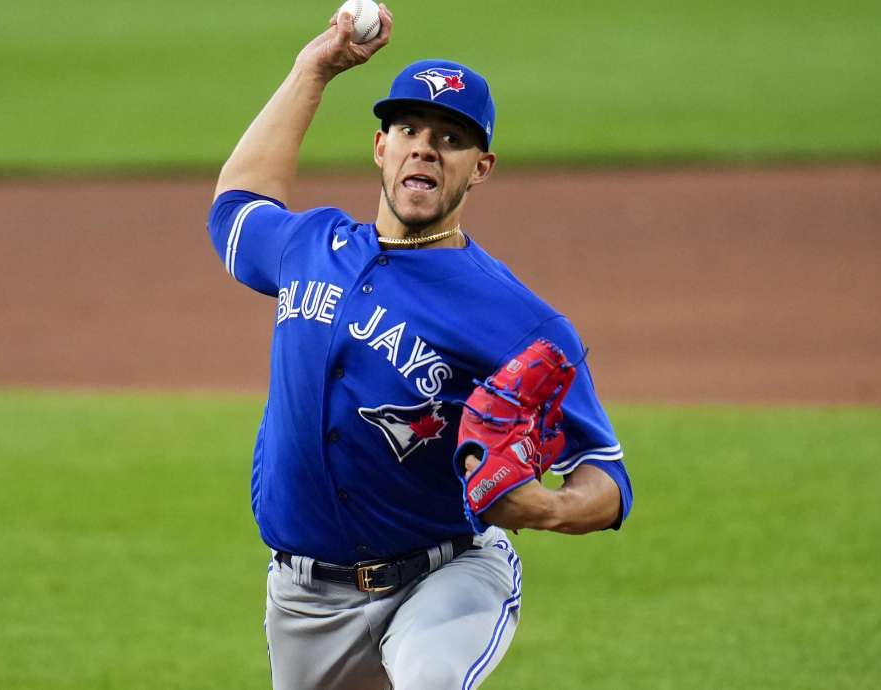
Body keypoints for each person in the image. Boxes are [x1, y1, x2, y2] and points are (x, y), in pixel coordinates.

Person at [206, 7, 633, 689]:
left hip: (447, 576)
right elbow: (237, 207)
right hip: (305, 600)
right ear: (382, 148)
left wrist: (550, 508)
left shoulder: (521, 322)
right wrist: (312, 69)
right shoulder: (309, 247)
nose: (425, 147)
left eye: (451, 138)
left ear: (480, 167)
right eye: (409, 129)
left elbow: (607, 476)